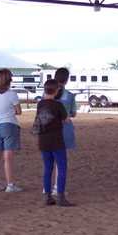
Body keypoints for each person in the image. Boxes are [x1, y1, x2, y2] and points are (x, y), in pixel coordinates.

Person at [34, 79, 74, 207]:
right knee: (61, 167)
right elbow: (66, 119)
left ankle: (47, 196)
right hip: (56, 140)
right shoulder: (58, 105)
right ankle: (61, 196)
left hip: (43, 140)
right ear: (56, 91)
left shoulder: (40, 104)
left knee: (47, 168)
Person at [0, 69, 23, 193]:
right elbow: (19, 111)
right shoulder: (12, 94)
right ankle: (10, 185)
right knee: (8, 157)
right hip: (9, 125)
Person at [50, 68, 77, 191]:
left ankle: (47, 187)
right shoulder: (69, 96)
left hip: (49, 129)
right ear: (66, 80)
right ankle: (57, 186)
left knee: (49, 160)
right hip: (64, 130)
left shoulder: (48, 94)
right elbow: (73, 113)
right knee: (60, 161)